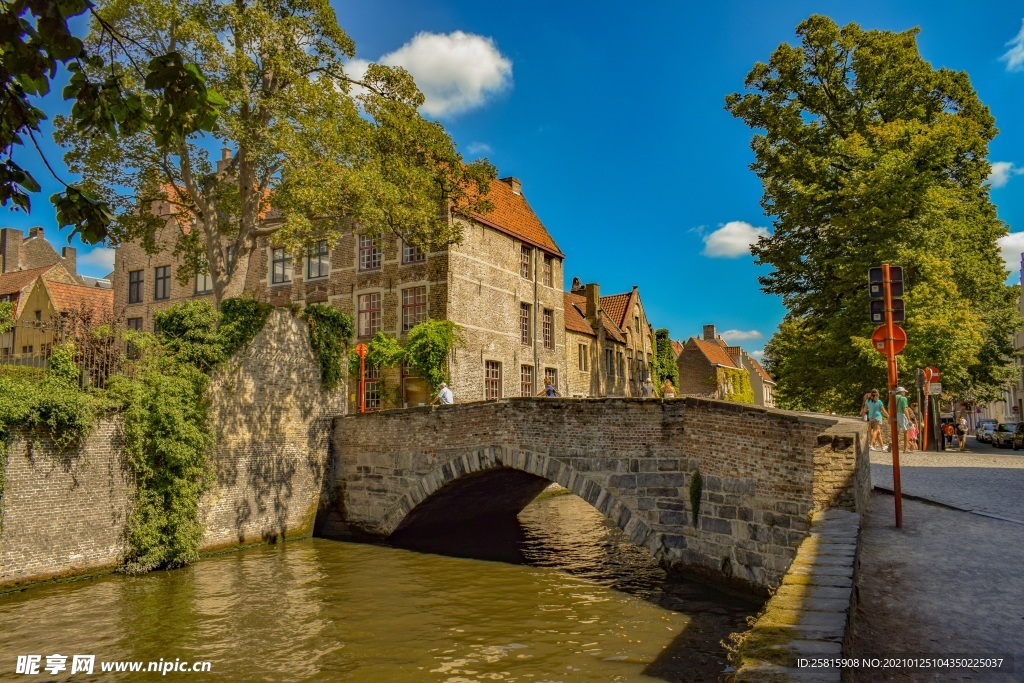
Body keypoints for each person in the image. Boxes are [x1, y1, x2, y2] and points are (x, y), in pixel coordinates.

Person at [894, 386, 912, 452]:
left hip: (894, 415)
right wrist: (909, 419)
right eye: (904, 391)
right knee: (906, 432)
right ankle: (905, 448)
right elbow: (905, 409)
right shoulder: (903, 398)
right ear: (901, 392)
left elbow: (889, 408)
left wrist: (889, 417)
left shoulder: (893, 398)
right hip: (901, 414)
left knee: (896, 432)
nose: (905, 393)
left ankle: (894, 447)